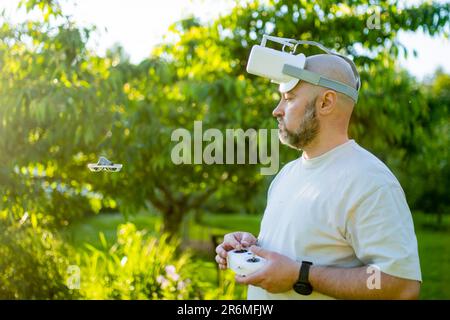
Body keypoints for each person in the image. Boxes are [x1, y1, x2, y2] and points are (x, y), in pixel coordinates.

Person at [215, 54, 422, 299]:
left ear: (325, 103)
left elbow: (401, 284)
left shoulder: (370, 181)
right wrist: (252, 248)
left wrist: (301, 275)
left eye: (289, 98)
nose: (276, 110)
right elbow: (297, 248)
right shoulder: (288, 174)